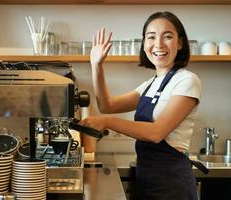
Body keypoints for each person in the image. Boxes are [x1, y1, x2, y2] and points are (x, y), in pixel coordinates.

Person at [79, 11, 204, 200]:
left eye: (168, 36)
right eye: (151, 37)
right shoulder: (150, 85)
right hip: (147, 177)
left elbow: (155, 133)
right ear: (144, 44)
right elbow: (107, 105)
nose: (159, 44)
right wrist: (96, 66)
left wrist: (106, 122)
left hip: (172, 183)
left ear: (180, 43)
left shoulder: (187, 80)